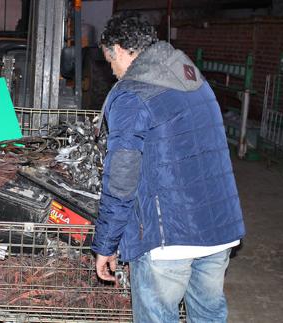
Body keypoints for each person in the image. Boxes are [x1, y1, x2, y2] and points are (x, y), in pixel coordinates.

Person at [91, 14, 246, 323]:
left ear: (120, 49)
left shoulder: (132, 93)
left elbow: (121, 178)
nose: (112, 69)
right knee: (209, 315)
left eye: (110, 60)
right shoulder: (194, 80)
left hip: (169, 238)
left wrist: (106, 243)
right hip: (218, 228)